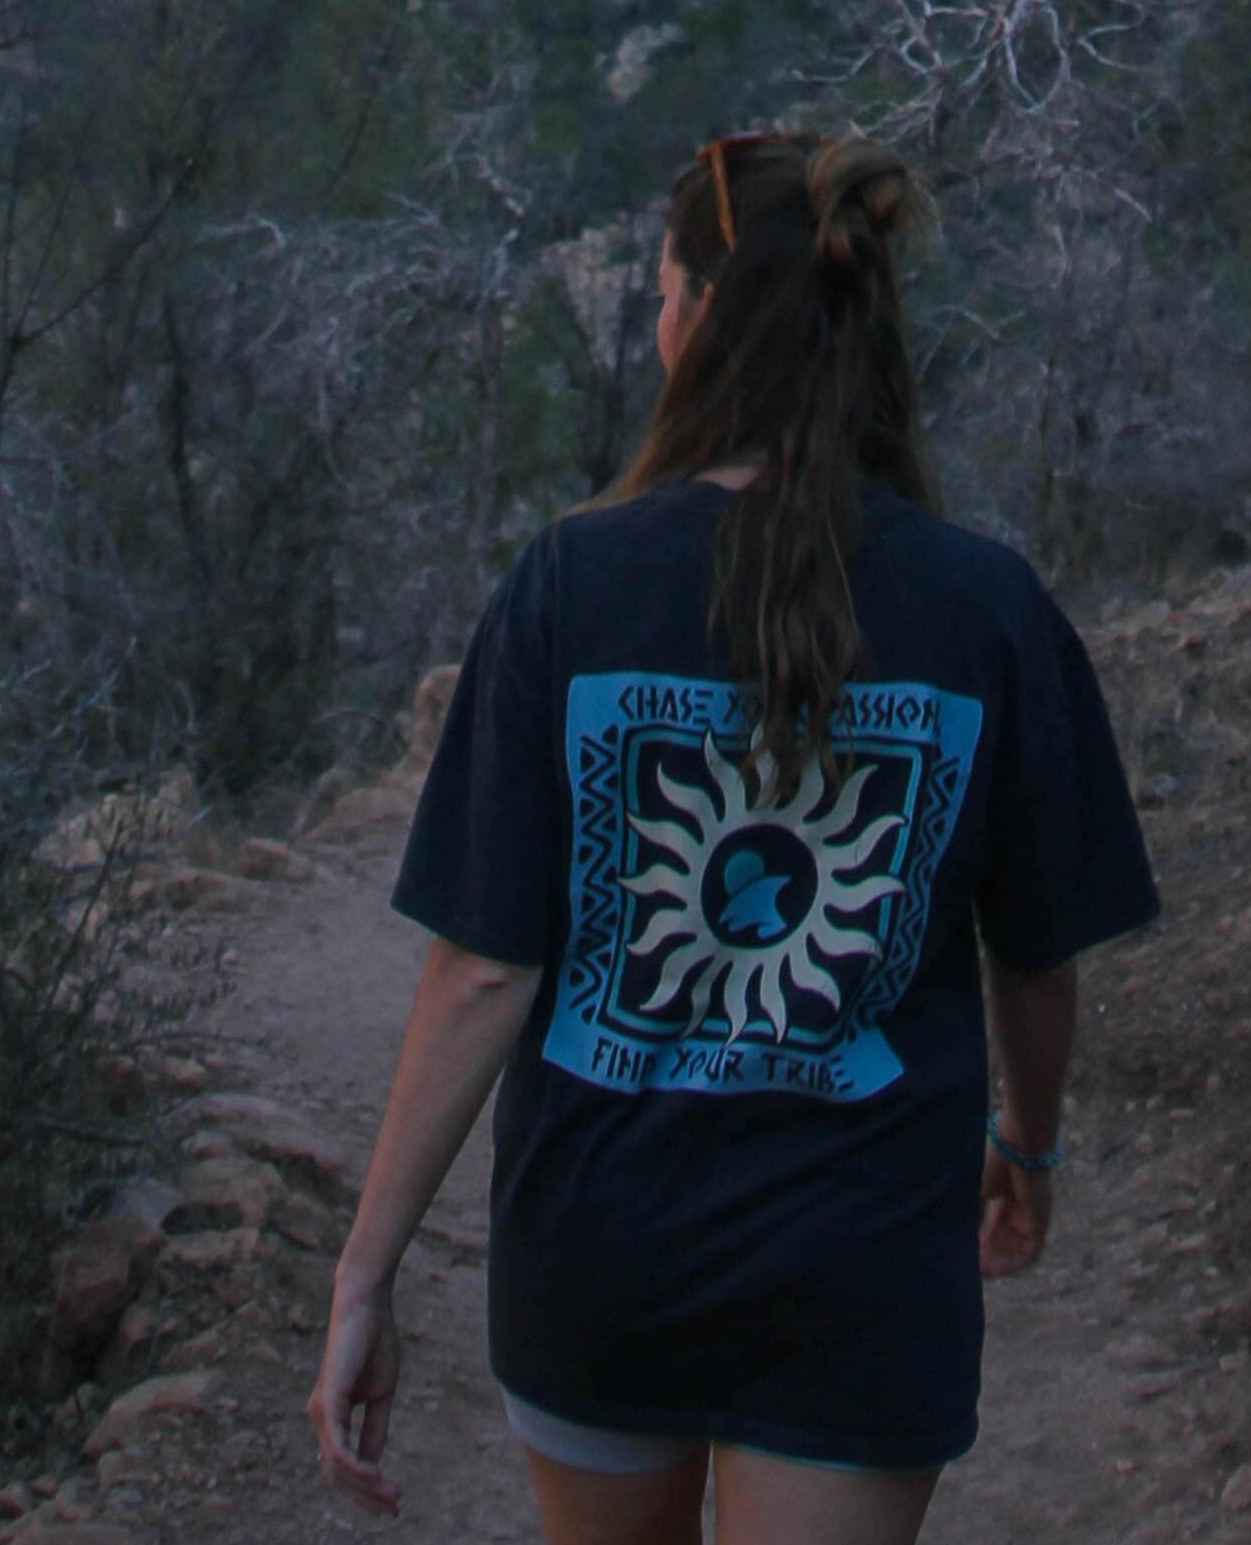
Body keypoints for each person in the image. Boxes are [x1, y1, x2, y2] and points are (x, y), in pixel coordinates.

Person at [308, 129, 1159, 1543]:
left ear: (701, 318)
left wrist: (364, 1274)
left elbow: (481, 973)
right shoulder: (986, 609)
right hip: (863, 1279)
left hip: (602, 1257)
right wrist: (1032, 1144)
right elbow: (1038, 956)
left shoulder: (570, 587)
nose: (653, 321)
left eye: (658, 292)